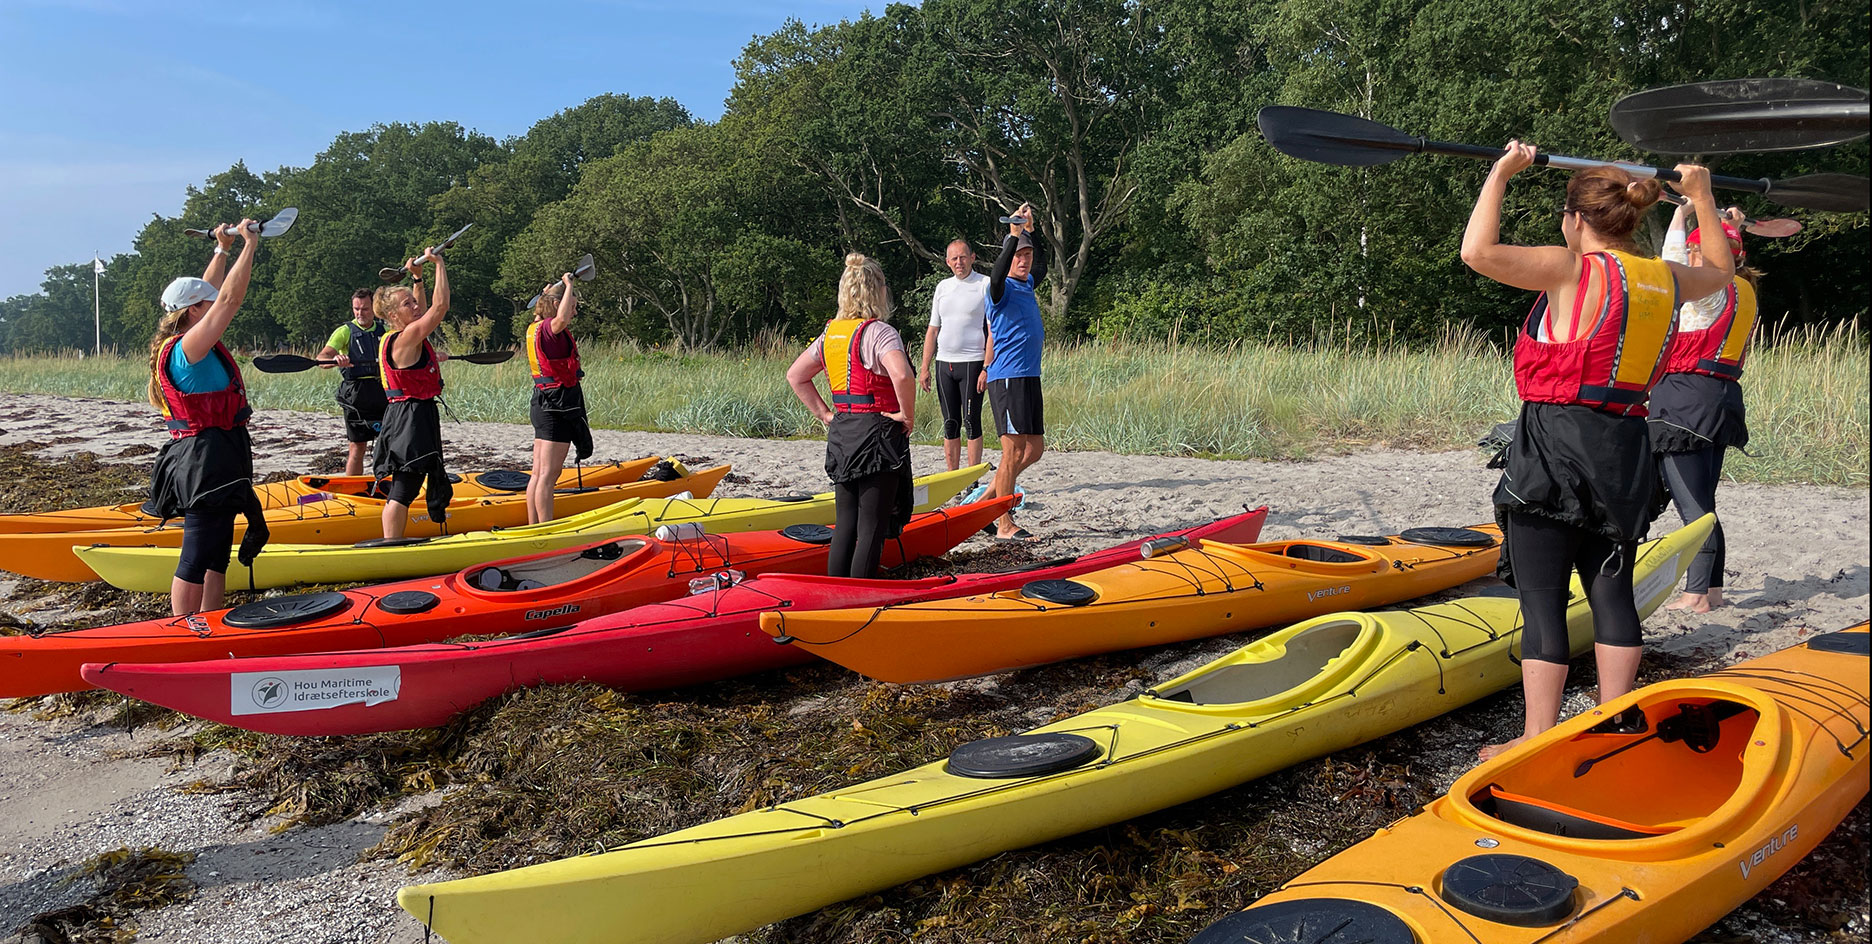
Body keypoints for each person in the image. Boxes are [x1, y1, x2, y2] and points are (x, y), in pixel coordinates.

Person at [1460, 144, 1733, 759]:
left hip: (1554, 447)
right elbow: (1721, 273)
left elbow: (1476, 252)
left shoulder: (1568, 268)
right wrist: (1703, 199)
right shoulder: (1668, 278)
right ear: (1631, 219)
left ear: (1575, 219)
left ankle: (1536, 735)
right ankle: (1615, 717)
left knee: (1543, 599)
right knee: (1611, 591)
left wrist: (1501, 173)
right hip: (1626, 448)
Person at [145, 219, 270, 615]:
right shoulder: (189, 348)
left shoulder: (188, 332)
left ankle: (211, 624)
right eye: (206, 304)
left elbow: (206, 291)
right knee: (197, 554)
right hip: (202, 458)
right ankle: (183, 630)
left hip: (220, 450)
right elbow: (228, 299)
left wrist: (222, 248)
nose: (212, 305)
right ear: (194, 311)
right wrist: (251, 245)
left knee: (218, 554)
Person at [1651, 204, 1759, 613]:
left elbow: (1669, 264)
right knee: (1704, 501)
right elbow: (1710, 254)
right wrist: (1726, 223)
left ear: (1703, 257)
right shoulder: (1745, 290)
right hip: (1722, 399)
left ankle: (1696, 594)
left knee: (1693, 508)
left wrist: (1681, 214)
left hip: (1686, 399)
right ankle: (1712, 589)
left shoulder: (1709, 290)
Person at [786, 252, 916, 579]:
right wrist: (906, 414)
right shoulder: (880, 333)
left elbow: (796, 376)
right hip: (877, 434)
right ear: (876, 291)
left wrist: (826, 415)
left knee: (845, 525)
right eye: (884, 285)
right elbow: (901, 375)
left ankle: (835, 591)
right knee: (871, 527)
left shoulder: (830, 334)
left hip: (842, 433)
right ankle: (859, 599)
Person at [373, 247, 454, 540]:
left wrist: (418, 280)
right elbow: (439, 307)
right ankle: (391, 545)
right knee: (405, 485)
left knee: (408, 481)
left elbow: (420, 311)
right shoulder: (405, 337)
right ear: (394, 314)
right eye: (407, 304)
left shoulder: (401, 333)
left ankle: (392, 541)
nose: (414, 306)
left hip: (408, 414)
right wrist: (439, 264)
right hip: (410, 417)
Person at [978, 204, 1047, 540]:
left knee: (1034, 449)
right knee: (1012, 452)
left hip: (1029, 376)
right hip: (1007, 377)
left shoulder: (1028, 284)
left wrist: (1031, 231)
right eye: (1019, 256)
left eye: (1028, 256)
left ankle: (986, 501)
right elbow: (996, 272)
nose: (1025, 260)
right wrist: (1014, 237)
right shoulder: (999, 290)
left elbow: (1044, 266)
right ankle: (1004, 524)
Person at [525, 271, 594, 524]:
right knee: (548, 475)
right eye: (573, 305)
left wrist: (546, 293)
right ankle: (545, 527)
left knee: (538, 473)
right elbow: (562, 316)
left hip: (543, 403)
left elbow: (542, 309)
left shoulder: (535, 326)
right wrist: (568, 284)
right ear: (557, 304)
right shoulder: (551, 328)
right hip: (557, 405)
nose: (574, 312)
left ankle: (534, 525)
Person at [918, 238, 989, 471]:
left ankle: (971, 478)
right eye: (954, 258)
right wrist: (925, 366)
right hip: (944, 364)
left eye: (963, 257)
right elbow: (932, 329)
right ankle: (952, 477)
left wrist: (988, 367)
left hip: (973, 363)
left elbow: (994, 330)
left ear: (972, 257)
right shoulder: (942, 287)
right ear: (948, 262)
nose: (959, 262)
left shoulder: (984, 284)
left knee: (971, 421)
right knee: (950, 423)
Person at [315, 288, 388, 476]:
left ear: (374, 308)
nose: (360, 313)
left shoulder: (384, 330)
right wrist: (335, 360)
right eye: (356, 309)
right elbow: (322, 358)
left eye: (364, 309)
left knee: (388, 442)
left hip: (382, 391)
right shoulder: (344, 331)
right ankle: (352, 489)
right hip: (356, 394)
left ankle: (388, 486)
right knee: (357, 447)